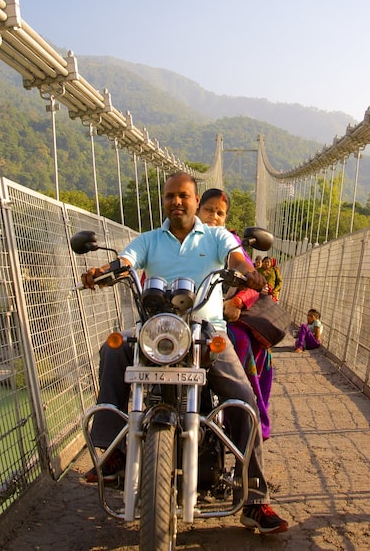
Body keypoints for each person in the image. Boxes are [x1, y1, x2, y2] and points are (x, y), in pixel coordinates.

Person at [80, 172, 289, 534]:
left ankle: (254, 497)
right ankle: (114, 452)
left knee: (243, 399)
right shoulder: (149, 240)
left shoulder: (217, 236)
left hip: (207, 333)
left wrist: (249, 273)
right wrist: (105, 270)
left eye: (184, 196)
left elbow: (237, 260)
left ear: (195, 201)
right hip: (156, 331)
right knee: (112, 349)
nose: (177, 202)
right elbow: (127, 261)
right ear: (164, 201)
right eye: (170, 196)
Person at [195, 188, 279, 441]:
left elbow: (251, 276)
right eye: (208, 210)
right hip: (177, 317)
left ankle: (244, 419)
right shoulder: (177, 238)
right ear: (197, 209)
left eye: (220, 213)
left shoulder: (228, 241)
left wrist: (237, 301)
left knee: (244, 342)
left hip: (219, 317)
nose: (213, 217)